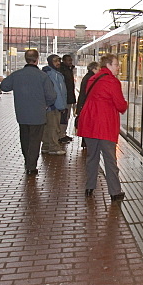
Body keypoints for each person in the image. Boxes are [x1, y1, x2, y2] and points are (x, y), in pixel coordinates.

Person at [77, 53, 128, 202]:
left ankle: (89, 187)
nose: (118, 68)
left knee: (92, 157)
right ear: (109, 65)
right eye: (117, 65)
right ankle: (115, 192)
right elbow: (120, 104)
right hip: (104, 123)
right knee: (110, 159)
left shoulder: (93, 78)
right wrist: (125, 105)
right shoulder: (112, 81)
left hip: (89, 122)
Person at [0, 49, 57, 175]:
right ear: (37, 60)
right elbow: (52, 96)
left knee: (25, 139)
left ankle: (27, 161)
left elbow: (4, 86)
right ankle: (31, 166)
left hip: (22, 114)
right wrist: (46, 104)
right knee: (35, 140)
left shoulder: (17, 75)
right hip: (38, 115)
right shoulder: (43, 76)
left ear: (26, 59)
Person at [42, 54, 68, 155]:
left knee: (47, 127)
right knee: (54, 126)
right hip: (54, 106)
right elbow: (57, 91)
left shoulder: (50, 73)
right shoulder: (53, 75)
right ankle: (54, 147)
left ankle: (46, 146)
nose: (58, 63)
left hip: (49, 105)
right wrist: (61, 106)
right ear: (50, 62)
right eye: (55, 61)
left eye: (58, 61)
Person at [75, 61, 99, 149]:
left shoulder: (87, 77)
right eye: (98, 69)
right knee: (89, 124)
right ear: (93, 69)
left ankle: (85, 142)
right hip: (87, 104)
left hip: (84, 103)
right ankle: (87, 143)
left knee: (87, 124)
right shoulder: (91, 78)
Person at [59, 54, 77, 143]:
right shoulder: (63, 71)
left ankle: (63, 134)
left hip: (68, 98)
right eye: (68, 60)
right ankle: (61, 135)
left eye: (71, 60)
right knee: (64, 117)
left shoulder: (68, 70)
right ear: (64, 61)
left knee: (66, 116)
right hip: (65, 98)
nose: (70, 62)